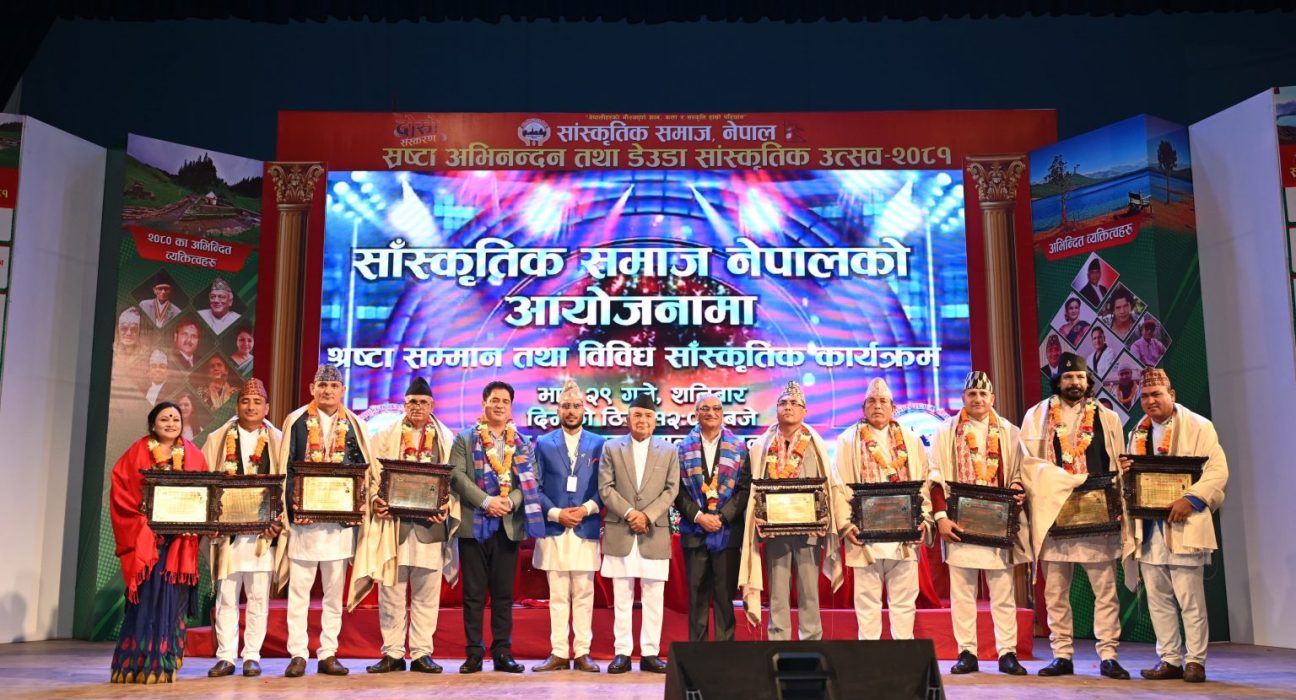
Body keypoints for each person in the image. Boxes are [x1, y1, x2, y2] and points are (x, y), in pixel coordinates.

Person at [1020, 353, 1130, 680]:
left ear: (1087, 381)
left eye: (1080, 377)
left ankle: (1108, 655)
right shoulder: (1037, 415)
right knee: (1055, 592)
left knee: (1105, 590)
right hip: (1055, 514)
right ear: (1058, 381)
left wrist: (1117, 503)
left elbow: (1116, 463)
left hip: (1097, 515)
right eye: (1068, 377)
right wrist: (1059, 482)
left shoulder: (1107, 417)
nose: (1074, 382)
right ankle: (1062, 655)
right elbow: (1027, 463)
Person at [926, 372, 1041, 675]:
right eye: (972, 394)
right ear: (963, 398)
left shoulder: (1009, 431)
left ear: (992, 398)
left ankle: (1007, 653)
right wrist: (941, 518)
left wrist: (1017, 487)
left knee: (1002, 592)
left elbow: (1020, 473)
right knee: (962, 593)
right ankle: (967, 652)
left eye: (983, 394)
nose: (977, 399)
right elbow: (934, 476)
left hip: (997, 523)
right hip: (958, 522)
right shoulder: (946, 430)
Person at [1119, 368, 1229, 684]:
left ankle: (1195, 661)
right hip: (1149, 529)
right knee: (1158, 599)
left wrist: (1191, 499)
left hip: (1184, 523)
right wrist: (1125, 470)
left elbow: (1217, 470)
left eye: (1156, 394)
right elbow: (1132, 480)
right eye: (1145, 396)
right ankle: (1169, 659)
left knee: (1190, 600)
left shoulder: (1198, 426)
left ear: (1172, 395)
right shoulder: (1137, 433)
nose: (1150, 401)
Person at [351, 376, 457, 675]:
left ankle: (422, 653)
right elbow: (371, 476)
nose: (417, 407)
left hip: (430, 528)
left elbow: (456, 481)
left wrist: (447, 506)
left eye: (423, 402)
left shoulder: (446, 438)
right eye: (412, 402)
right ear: (404, 404)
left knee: (426, 595)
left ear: (432, 405)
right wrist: (376, 500)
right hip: (393, 527)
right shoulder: (385, 435)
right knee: (391, 593)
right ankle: (393, 653)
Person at [279, 363, 376, 678]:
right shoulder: (296, 421)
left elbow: (363, 471)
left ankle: (328, 653)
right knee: (299, 592)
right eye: (322, 385)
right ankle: (298, 654)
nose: (328, 391)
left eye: (334, 386)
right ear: (312, 389)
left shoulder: (356, 425)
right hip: (304, 523)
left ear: (343, 390)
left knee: (334, 594)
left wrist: (356, 505)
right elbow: (286, 468)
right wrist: (295, 506)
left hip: (339, 525)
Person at [448, 380, 546, 674]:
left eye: (505, 401)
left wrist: (510, 502)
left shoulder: (522, 442)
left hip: (507, 525)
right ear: (484, 404)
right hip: (473, 525)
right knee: (474, 594)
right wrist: (486, 501)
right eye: (494, 400)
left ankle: (502, 652)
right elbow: (456, 476)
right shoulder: (465, 439)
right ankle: (474, 653)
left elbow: (532, 479)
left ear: (511, 406)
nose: (500, 405)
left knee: (503, 595)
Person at [109, 401, 207, 683]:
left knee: (171, 602)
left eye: (176, 419)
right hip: (148, 541)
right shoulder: (138, 451)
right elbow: (121, 491)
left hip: (178, 543)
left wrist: (198, 522)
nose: (171, 423)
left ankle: (164, 662)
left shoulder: (193, 454)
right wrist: (142, 520)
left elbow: (204, 492)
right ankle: (135, 664)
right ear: (153, 424)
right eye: (164, 419)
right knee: (147, 601)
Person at [738, 380, 842, 641]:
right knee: (777, 591)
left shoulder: (816, 444)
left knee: (809, 590)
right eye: (783, 403)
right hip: (775, 531)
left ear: (804, 411)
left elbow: (827, 485)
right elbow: (754, 489)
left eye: (794, 403)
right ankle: (778, 642)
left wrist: (824, 517)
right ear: (776, 410)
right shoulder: (761, 445)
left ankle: (811, 641)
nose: (788, 407)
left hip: (809, 531)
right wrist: (759, 518)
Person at [832, 378, 930, 641]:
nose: (877, 406)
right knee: (866, 601)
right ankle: (870, 656)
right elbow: (837, 485)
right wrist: (846, 525)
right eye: (872, 401)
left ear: (893, 408)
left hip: (904, 535)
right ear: (863, 408)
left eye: (883, 401)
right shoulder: (847, 440)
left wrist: (924, 520)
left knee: (904, 601)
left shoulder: (910, 440)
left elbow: (924, 483)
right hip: (864, 536)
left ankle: (903, 654)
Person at [199, 379, 284, 678]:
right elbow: (206, 482)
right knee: (226, 595)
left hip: (263, 534)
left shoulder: (278, 439)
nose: (251, 407)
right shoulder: (217, 438)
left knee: (258, 596)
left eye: (257, 402)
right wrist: (210, 522)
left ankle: (252, 656)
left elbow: (287, 485)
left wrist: (278, 522)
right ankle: (226, 656)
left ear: (267, 408)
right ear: (237, 406)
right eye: (245, 401)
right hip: (227, 534)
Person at [599, 394, 681, 673]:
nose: (642, 420)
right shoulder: (611, 448)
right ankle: (622, 652)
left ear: (655, 421)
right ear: (628, 419)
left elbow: (672, 489)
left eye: (647, 416)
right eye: (637, 415)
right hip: (621, 529)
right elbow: (605, 488)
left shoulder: (669, 450)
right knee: (622, 594)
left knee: (653, 594)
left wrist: (646, 515)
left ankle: (650, 653)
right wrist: (630, 513)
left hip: (653, 530)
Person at [531, 380, 606, 673]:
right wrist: (556, 513)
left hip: (586, 525)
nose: (571, 411)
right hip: (555, 527)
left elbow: (606, 487)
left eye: (576, 406)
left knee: (584, 593)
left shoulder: (599, 443)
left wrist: (586, 509)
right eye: (566, 406)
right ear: (558, 410)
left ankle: (583, 652)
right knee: (558, 594)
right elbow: (534, 487)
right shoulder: (544, 443)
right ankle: (559, 652)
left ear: (584, 410)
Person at [674, 392, 750, 643]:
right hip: (694, 531)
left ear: (723, 414)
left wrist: (722, 517)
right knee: (696, 597)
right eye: (705, 408)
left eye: (716, 408)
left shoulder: (739, 448)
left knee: (724, 596)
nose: (711, 413)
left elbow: (744, 489)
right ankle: (697, 653)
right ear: (696, 414)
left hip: (727, 533)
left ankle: (725, 653)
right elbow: (677, 491)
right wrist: (699, 516)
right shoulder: (681, 449)